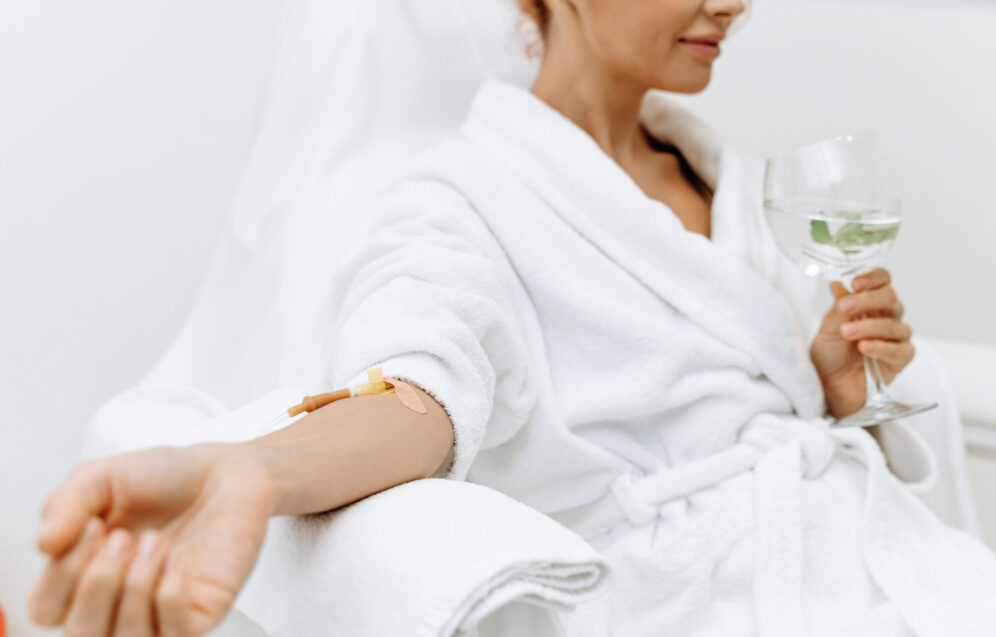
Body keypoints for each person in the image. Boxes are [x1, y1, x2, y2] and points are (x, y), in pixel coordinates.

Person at [28, 0, 996, 635]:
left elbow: (758, 400)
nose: (734, 3)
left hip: (878, 552)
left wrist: (827, 387)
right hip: (707, 599)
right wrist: (247, 469)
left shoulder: (732, 175)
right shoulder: (462, 198)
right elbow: (417, 389)